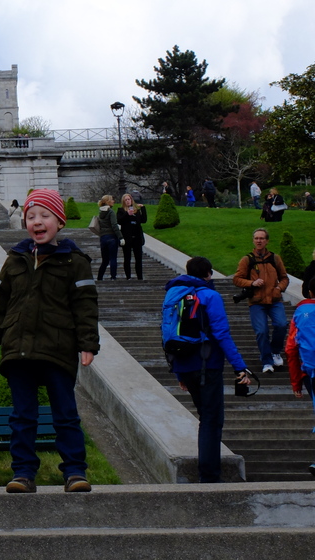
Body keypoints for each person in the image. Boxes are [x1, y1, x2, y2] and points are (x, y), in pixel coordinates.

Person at [0, 188, 98, 494]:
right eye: (31, 216)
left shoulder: (75, 261)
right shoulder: (14, 260)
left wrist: (88, 344)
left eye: (45, 215)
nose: (37, 221)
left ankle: (75, 471)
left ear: (59, 222)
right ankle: (23, 473)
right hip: (18, 349)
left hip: (57, 347)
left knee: (65, 415)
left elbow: (85, 306)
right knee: (22, 417)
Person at [164, 257, 250, 483]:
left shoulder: (174, 294)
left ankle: (208, 473)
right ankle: (209, 476)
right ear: (209, 274)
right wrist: (239, 366)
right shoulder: (210, 295)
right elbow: (221, 333)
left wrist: (179, 371)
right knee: (212, 419)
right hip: (207, 364)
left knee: (206, 416)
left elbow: (169, 332)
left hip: (184, 364)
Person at [233, 228, 289, 373]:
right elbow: (237, 279)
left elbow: (284, 278)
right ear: (253, 240)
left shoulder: (275, 258)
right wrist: (252, 283)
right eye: (256, 238)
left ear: (267, 241)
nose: (259, 241)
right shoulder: (247, 259)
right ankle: (267, 361)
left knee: (282, 324)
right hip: (256, 301)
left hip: (275, 300)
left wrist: (279, 288)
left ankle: (275, 352)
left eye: (262, 238)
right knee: (262, 331)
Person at [285, 277, 315, 478]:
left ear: (310, 291)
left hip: (311, 372)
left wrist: (296, 382)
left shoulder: (301, 313)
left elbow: (291, 349)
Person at [116, 193, 148, 280]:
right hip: (127, 237)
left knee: (138, 258)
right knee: (127, 258)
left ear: (131, 200)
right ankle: (128, 277)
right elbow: (119, 221)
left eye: (129, 199)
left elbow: (143, 220)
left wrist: (143, 208)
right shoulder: (121, 210)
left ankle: (140, 277)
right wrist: (127, 214)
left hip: (137, 237)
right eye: (126, 200)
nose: (128, 201)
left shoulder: (136, 211)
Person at [95, 195, 124, 281]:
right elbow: (114, 225)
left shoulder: (101, 212)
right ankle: (113, 277)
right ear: (108, 202)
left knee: (105, 260)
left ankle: (99, 277)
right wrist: (121, 237)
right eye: (112, 200)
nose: (113, 201)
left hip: (103, 238)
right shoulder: (111, 212)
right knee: (113, 258)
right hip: (111, 237)